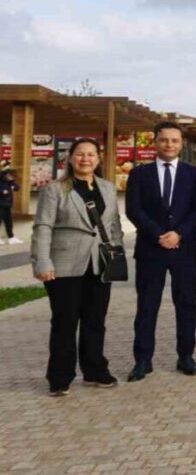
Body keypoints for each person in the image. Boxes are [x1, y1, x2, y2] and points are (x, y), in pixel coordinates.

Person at [31, 138, 123, 395]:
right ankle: (60, 377)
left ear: (98, 158)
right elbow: (43, 227)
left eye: (91, 154)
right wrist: (42, 261)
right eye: (80, 154)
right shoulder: (55, 189)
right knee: (65, 321)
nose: (85, 159)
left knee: (96, 320)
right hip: (63, 264)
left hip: (100, 263)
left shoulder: (107, 188)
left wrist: (116, 251)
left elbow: (113, 223)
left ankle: (95, 370)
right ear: (70, 158)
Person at [125, 122, 196, 382]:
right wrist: (158, 234)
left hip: (184, 249)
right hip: (151, 249)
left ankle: (186, 357)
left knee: (186, 305)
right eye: (164, 140)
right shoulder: (139, 174)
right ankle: (142, 360)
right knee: (147, 306)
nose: (169, 144)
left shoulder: (193, 174)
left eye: (174, 140)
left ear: (181, 144)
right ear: (155, 142)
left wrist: (178, 233)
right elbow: (133, 210)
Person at [0, 168, 21, 244]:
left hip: (7, 205)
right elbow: (3, 191)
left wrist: (13, 185)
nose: (12, 178)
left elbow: (17, 188)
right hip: (1, 204)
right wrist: (2, 192)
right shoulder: (1, 182)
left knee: (8, 222)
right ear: (6, 175)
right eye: (11, 176)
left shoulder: (10, 182)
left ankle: (11, 237)